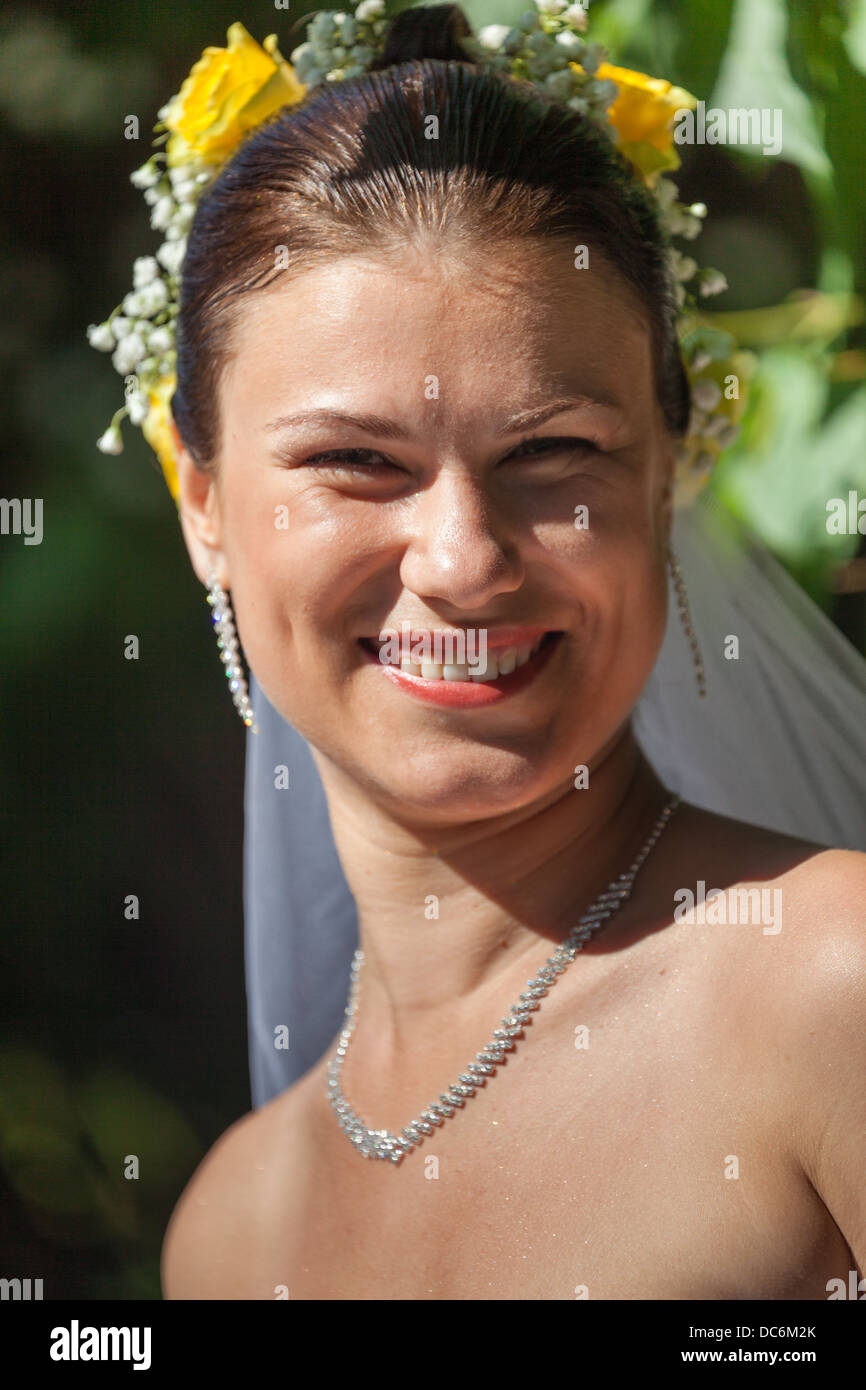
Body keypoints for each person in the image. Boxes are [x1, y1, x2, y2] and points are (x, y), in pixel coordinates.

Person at [148, 8, 866, 1299]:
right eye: (355, 464)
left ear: (667, 475)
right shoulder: (229, 1230)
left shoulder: (830, 989)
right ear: (201, 504)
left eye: (552, 457)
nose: (463, 558)